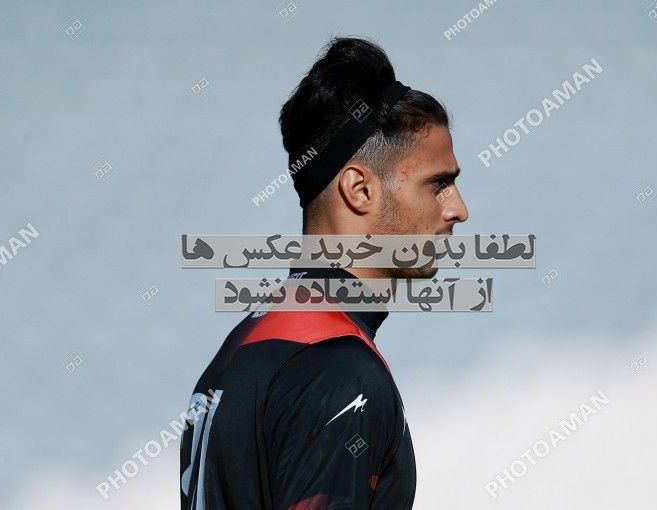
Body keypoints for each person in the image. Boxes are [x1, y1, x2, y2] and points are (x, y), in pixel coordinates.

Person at [180, 36, 468, 510]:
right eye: (437, 184)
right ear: (359, 189)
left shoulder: (244, 347)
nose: (458, 209)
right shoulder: (339, 371)